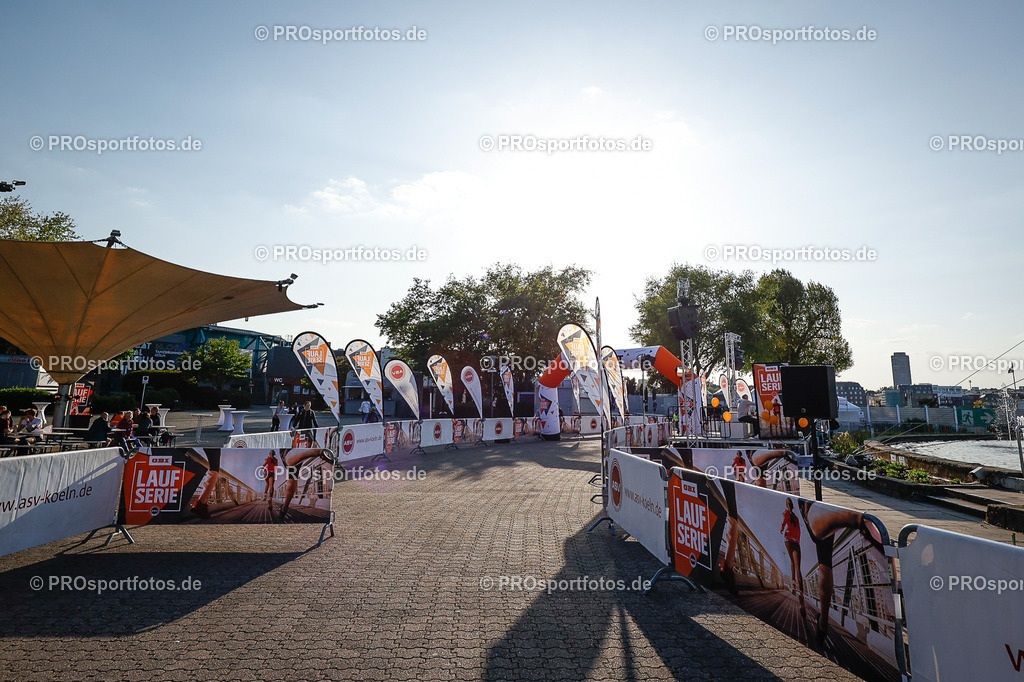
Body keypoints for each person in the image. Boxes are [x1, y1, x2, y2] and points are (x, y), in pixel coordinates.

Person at [781, 498, 807, 620]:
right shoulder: (795, 516)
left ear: (787, 505)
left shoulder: (787, 514)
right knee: (797, 567)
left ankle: (793, 586)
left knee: (793, 563)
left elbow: (784, 524)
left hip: (788, 539)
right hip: (795, 541)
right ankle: (801, 596)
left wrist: (782, 530)